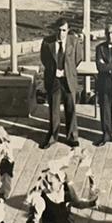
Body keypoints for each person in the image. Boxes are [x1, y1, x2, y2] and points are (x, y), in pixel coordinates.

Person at [40, 19, 83, 149]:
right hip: (54, 80)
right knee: (54, 110)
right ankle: (53, 137)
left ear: (68, 30)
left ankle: (72, 137)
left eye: (64, 30)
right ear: (55, 30)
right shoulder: (47, 42)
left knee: (70, 108)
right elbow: (45, 59)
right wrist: (55, 71)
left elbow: (78, 58)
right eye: (58, 30)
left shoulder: (74, 42)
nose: (61, 33)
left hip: (68, 79)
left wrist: (66, 71)